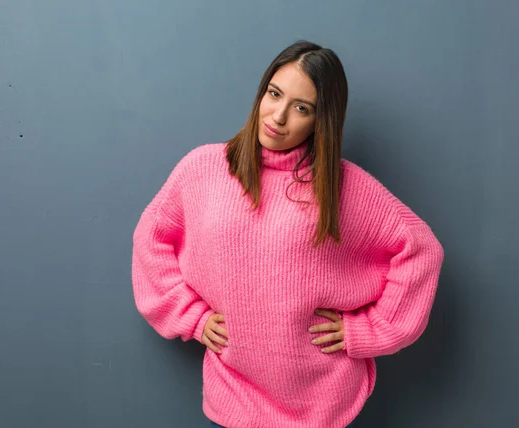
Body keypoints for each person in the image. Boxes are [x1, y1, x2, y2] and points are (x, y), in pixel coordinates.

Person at [132, 40, 444, 428]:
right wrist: (191, 317)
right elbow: (151, 239)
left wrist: (364, 331)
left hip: (323, 402)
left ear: (321, 120)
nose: (278, 117)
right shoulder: (203, 169)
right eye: (274, 94)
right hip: (234, 395)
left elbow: (421, 250)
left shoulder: (344, 187)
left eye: (301, 108)